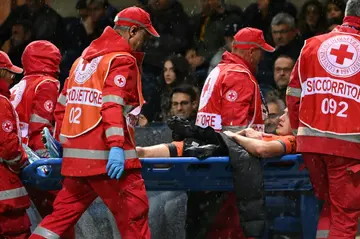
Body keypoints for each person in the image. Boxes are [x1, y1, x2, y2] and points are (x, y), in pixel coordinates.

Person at [30, 6, 159, 239]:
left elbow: (62, 107)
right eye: (144, 35)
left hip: (77, 163)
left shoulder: (82, 60)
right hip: (107, 161)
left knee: (56, 222)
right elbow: (111, 105)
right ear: (132, 31)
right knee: (134, 221)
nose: (145, 42)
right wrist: (117, 147)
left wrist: (62, 142)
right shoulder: (121, 60)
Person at [191, 27, 274, 239]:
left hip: (212, 163)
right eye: (260, 51)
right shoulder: (238, 75)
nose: (262, 56)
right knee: (230, 230)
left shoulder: (220, 69)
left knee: (211, 228)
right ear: (251, 52)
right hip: (230, 168)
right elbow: (234, 133)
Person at [287, 0, 360, 238]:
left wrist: (299, 134)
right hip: (348, 148)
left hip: (311, 144)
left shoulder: (312, 44)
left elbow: (293, 95)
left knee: (328, 205)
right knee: (345, 217)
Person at [137, 108, 295, 159]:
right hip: (219, 147)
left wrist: (235, 136)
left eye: (288, 115)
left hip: (226, 152)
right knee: (142, 152)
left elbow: (262, 149)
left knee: (203, 139)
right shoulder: (275, 135)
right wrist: (243, 133)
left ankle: (195, 131)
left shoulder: (292, 140)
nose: (281, 118)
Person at [0, 51, 31, 239]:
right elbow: (8, 145)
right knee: (16, 230)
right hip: (4, 189)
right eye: (8, 72)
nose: (13, 77)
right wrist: (22, 163)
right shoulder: (1, 103)